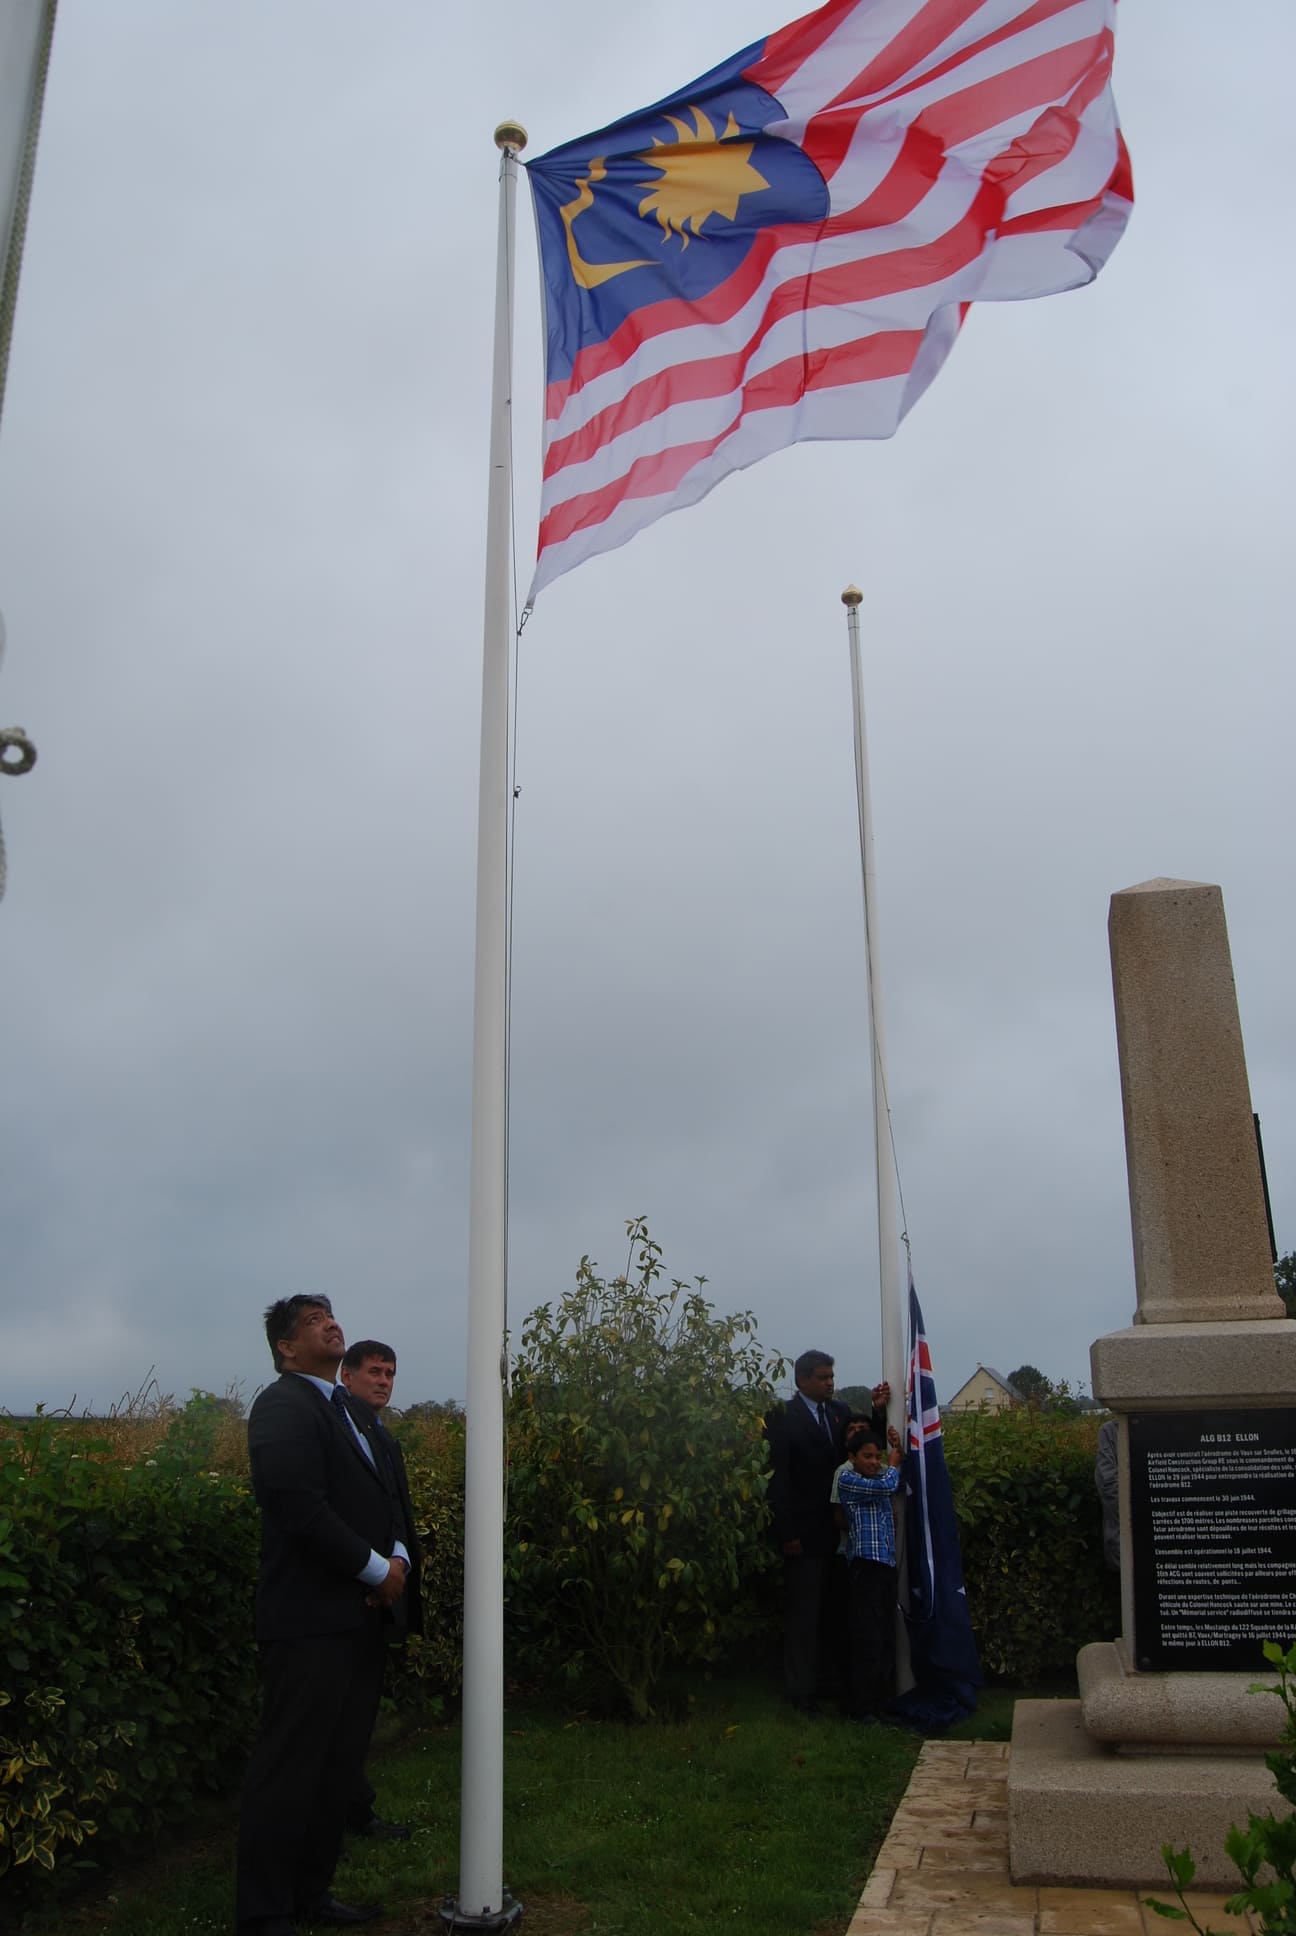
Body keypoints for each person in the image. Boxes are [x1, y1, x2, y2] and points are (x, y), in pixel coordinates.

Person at [235, 1294, 411, 1935]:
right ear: (286, 1348)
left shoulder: (350, 1413)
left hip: (358, 1622)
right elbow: (295, 1505)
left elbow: (383, 1496)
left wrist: (397, 1562)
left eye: (331, 1315)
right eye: (313, 1322)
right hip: (309, 1623)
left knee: (335, 1768)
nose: (332, 1324)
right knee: (290, 1770)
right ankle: (264, 1913)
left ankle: (312, 1892)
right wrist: (374, 1571)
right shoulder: (283, 1404)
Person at [765, 1350, 888, 1711]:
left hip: (843, 1533)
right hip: (803, 1534)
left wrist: (878, 1410)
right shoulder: (783, 1417)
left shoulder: (839, 1414)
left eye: (832, 1376)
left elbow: (866, 1450)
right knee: (804, 1614)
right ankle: (800, 1691)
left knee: (837, 1613)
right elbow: (779, 1478)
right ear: (802, 1379)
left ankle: (833, 1684)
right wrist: (787, 1532)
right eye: (823, 1377)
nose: (830, 1382)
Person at [337, 1338, 424, 1841]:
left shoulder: (383, 1438)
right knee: (338, 1719)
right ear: (347, 1376)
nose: (383, 1381)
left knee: (358, 1716)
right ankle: (341, 1815)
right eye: (373, 1371)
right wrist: (372, 1575)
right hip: (346, 1597)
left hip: (380, 1595)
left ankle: (353, 1809)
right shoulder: (338, 1429)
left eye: (390, 1373)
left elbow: (395, 1512)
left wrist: (398, 1564)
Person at [835, 1424, 904, 1721]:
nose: (874, 1462)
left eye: (878, 1456)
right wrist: (894, 1463)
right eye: (867, 1456)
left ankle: (880, 1703)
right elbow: (887, 1486)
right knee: (868, 1639)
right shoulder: (849, 1480)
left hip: (885, 1566)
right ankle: (861, 1707)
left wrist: (897, 1448)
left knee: (885, 1637)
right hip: (865, 1567)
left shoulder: (881, 1474)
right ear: (852, 1457)